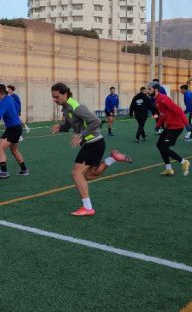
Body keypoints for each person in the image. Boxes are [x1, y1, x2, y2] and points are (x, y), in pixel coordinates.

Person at [50, 82, 132, 216]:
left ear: (65, 94)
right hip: (93, 143)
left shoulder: (76, 107)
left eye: (57, 97)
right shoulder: (65, 107)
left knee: (76, 174)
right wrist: (61, 127)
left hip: (93, 143)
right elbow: (71, 123)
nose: (54, 100)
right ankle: (112, 159)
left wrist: (81, 134)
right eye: (53, 97)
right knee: (89, 175)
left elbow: (96, 121)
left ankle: (88, 208)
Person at [147, 81, 191, 176]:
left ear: (156, 89)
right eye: (148, 89)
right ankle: (169, 169)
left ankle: (184, 162)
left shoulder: (163, 99)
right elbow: (163, 114)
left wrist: (186, 124)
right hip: (170, 126)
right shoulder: (157, 100)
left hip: (177, 127)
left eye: (150, 89)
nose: (148, 91)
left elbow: (178, 110)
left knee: (164, 148)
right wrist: (158, 124)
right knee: (159, 145)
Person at [0, 84, 28, 179]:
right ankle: (24, 169)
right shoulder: (9, 99)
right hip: (17, 127)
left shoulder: (4, 101)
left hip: (12, 129)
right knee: (14, 149)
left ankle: (4, 172)